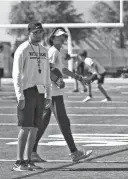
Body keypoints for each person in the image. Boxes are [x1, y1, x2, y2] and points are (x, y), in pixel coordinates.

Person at [31, 27, 92, 163]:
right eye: (59, 36)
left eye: (64, 36)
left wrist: (79, 77)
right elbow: (48, 69)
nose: (62, 38)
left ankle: (31, 151)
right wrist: (58, 80)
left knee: (43, 122)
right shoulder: (53, 51)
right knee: (64, 122)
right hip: (53, 93)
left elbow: (62, 69)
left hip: (51, 92)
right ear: (52, 38)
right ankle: (74, 153)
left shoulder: (56, 52)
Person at [12, 21, 51, 171]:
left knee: (35, 128)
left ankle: (28, 160)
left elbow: (46, 73)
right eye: (35, 32)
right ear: (29, 33)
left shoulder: (44, 50)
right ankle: (19, 161)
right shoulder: (22, 49)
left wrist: (48, 94)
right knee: (26, 127)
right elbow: (16, 74)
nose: (39, 35)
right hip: (27, 92)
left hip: (40, 92)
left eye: (40, 32)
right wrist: (19, 95)